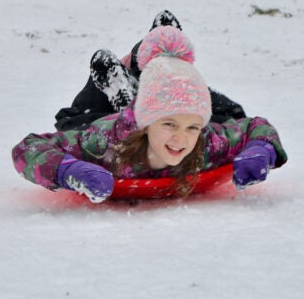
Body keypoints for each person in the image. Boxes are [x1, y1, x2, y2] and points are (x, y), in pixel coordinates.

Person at [16, 25, 288, 203]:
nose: (182, 138)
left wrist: (261, 149)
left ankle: (152, 66)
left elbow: (254, 126)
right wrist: (67, 169)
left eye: (193, 127)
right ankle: (129, 70)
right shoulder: (106, 143)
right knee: (76, 119)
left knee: (228, 113)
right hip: (100, 119)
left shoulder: (206, 142)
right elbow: (29, 147)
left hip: (157, 103)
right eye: (170, 124)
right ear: (145, 124)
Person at [54, 10, 248, 132]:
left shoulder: (183, 81)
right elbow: (67, 123)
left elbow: (234, 115)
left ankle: (135, 113)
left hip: (162, 101)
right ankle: (132, 112)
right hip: (113, 112)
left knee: (195, 111)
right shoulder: (110, 76)